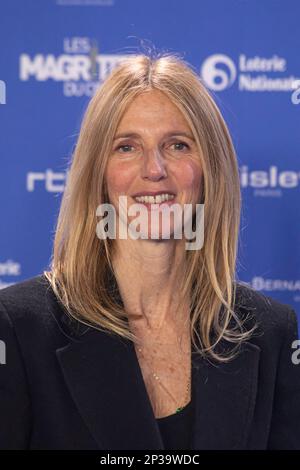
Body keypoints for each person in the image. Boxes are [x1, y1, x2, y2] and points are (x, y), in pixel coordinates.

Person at [0, 53, 299, 450]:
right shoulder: (19, 327)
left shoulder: (271, 332)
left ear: (210, 168)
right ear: (98, 174)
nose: (154, 169)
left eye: (177, 145)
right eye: (126, 147)